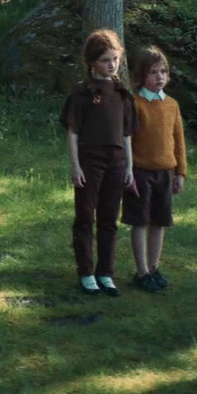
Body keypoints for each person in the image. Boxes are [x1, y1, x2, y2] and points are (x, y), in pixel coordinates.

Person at [60, 28, 136, 297]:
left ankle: (106, 272)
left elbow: (126, 133)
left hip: (116, 161)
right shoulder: (82, 93)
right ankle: (86, 271)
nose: (112, 65)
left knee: (109, 218)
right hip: (89, 160)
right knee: (84, 216)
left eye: (115, 59)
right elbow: (73, 132)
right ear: (92, 61)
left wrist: (128, 166)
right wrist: (75, 165)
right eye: (106, 60)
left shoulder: (121, 94)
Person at [124, 46, 186, 292]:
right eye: (153, 72)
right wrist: (127, 170)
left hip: (165, 173)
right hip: (140, 172)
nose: (159, 77)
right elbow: (127, 139)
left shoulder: (172, 105)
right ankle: (141, 272)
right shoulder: (135, 104)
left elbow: (178, 140)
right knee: (139, 221)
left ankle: (154, 268)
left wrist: (180, 172)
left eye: (164, 72)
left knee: (159, 222)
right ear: (141, 76)